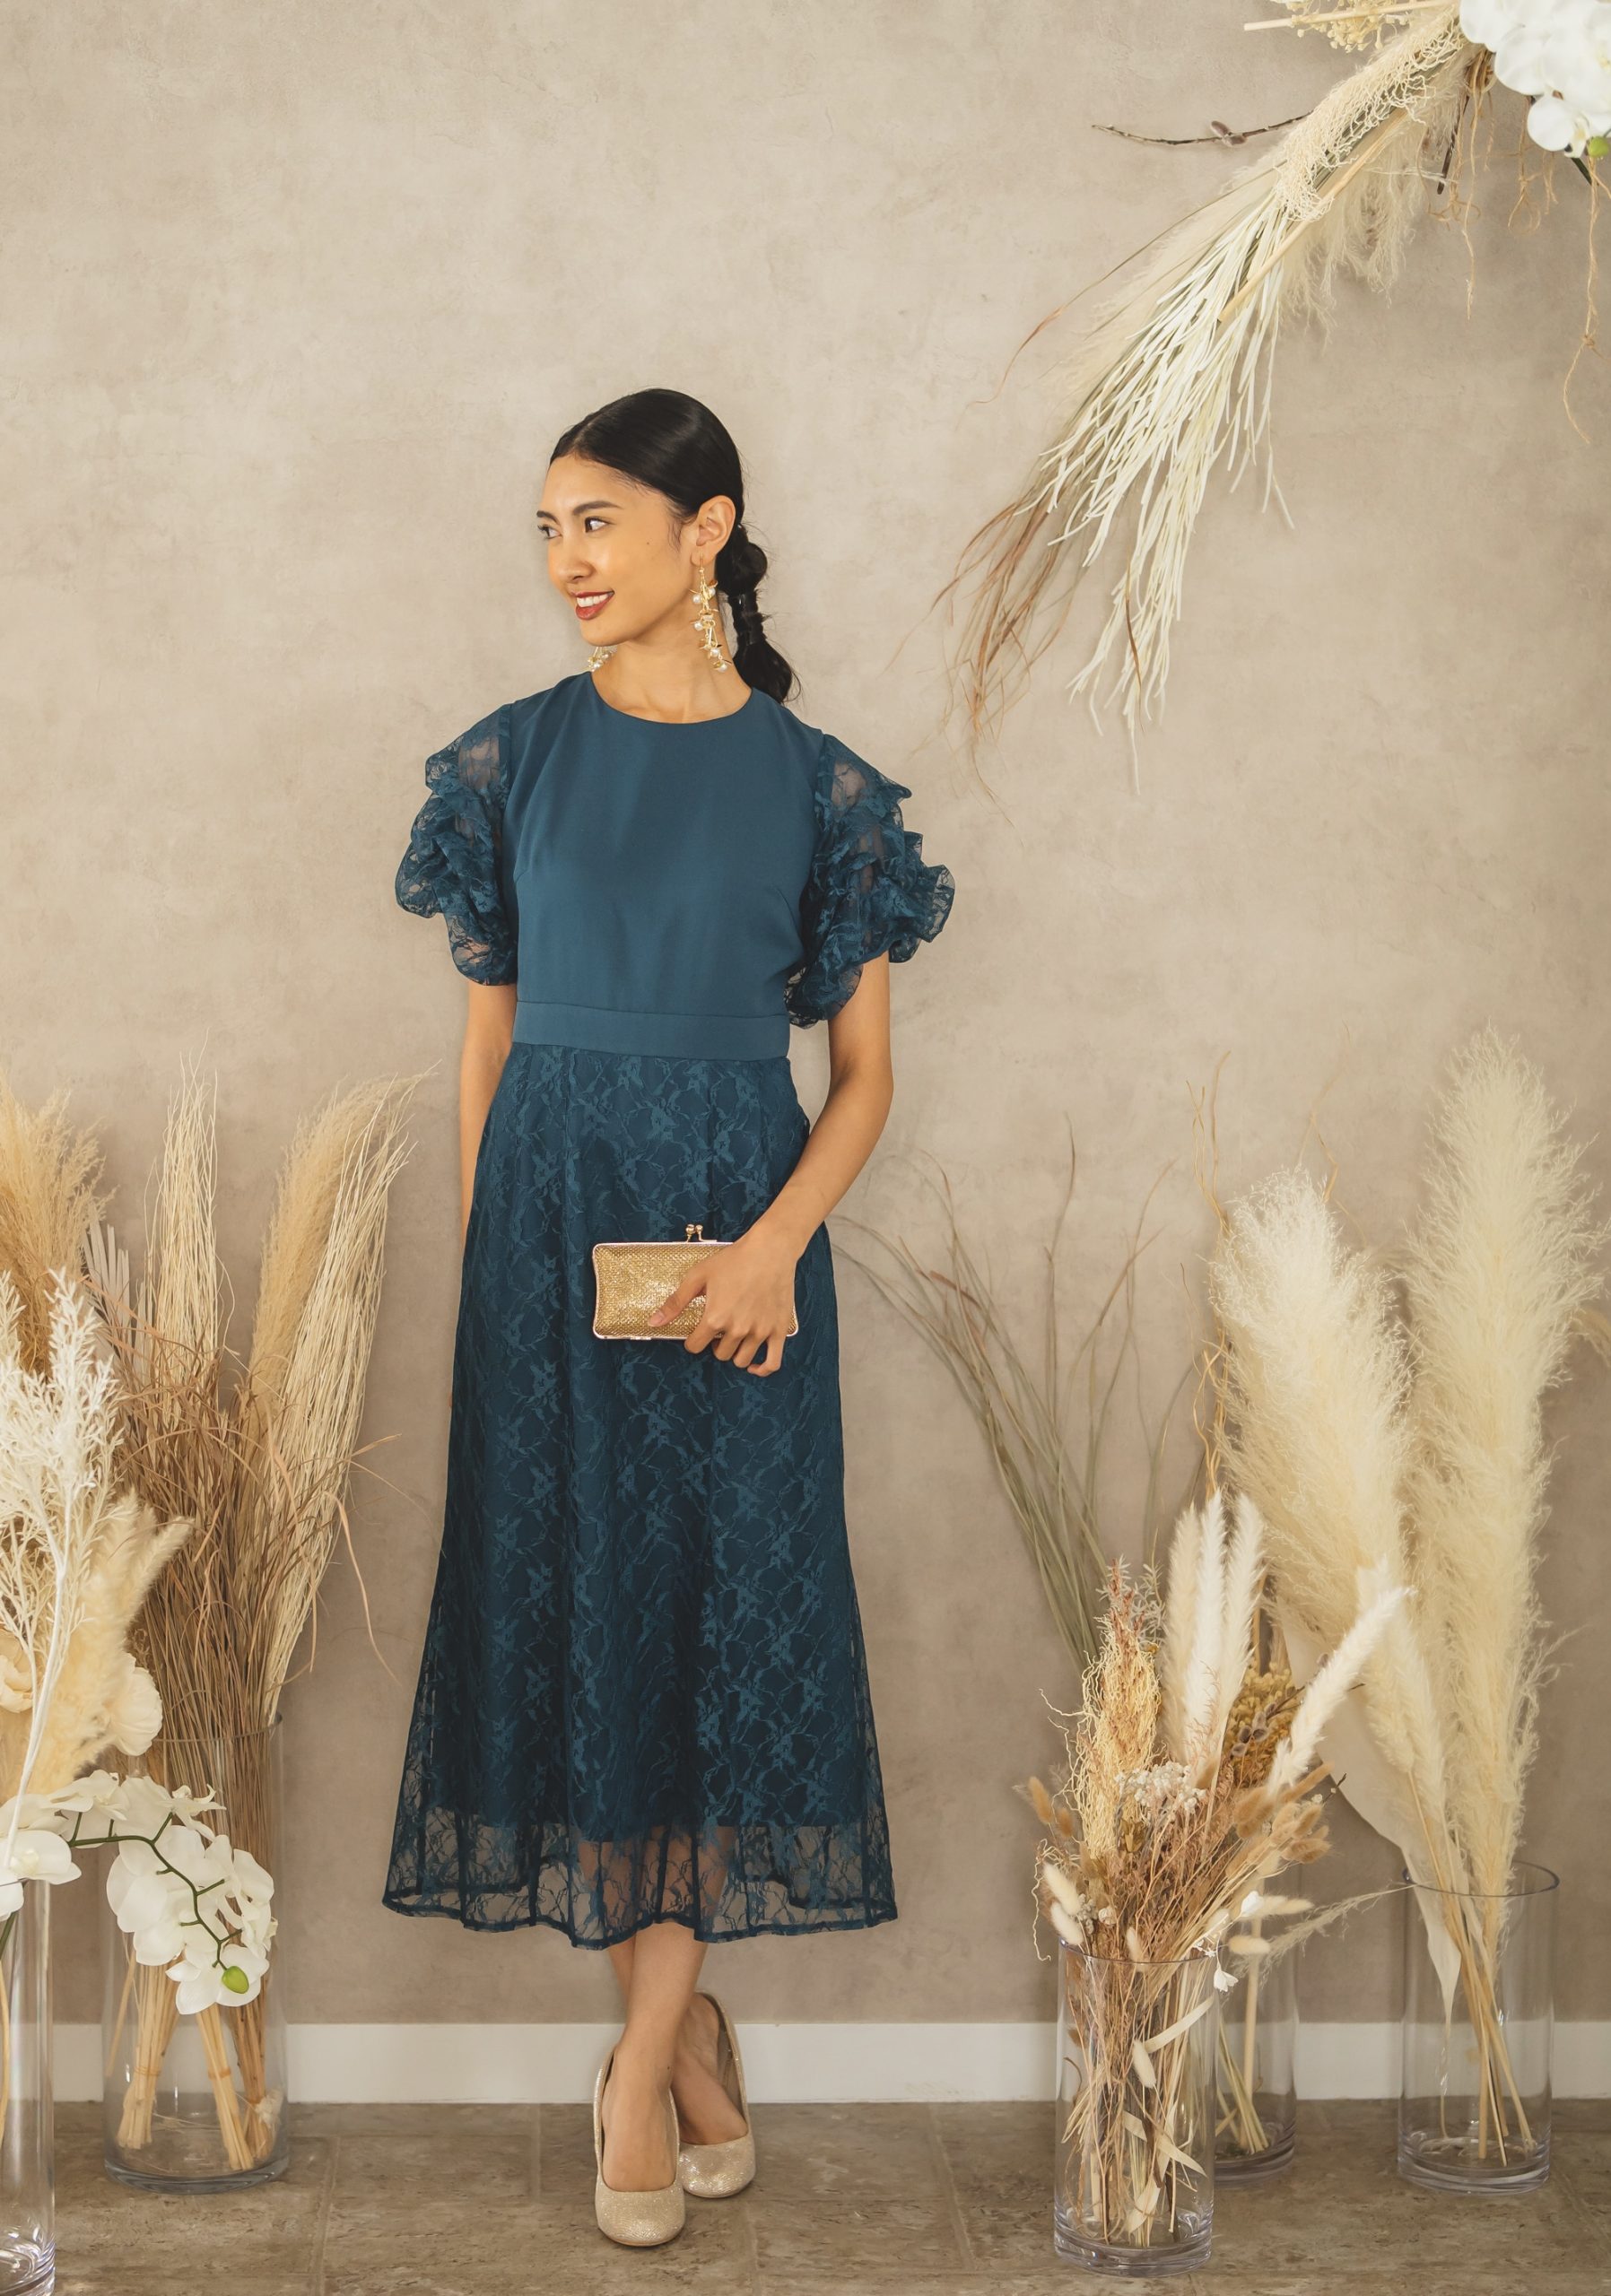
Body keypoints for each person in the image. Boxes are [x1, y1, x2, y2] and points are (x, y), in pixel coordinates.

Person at [383, 387, 955, 2247]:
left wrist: (777, 1246)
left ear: (705, 528)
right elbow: (486, 1051)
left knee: (713, 1616)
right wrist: (497, 1270)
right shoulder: (509, 763)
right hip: (547, 1250)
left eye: (599, 522)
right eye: (548, 528)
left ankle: (634, 2067)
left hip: (738, 1248)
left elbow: (864, 1075)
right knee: (589, 1619)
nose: (568, 560)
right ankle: (682, 2032)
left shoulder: (823, 789)